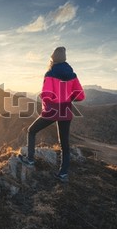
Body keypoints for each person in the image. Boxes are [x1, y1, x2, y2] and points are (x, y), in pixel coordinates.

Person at [18, 46, 85, 182]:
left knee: (31, 131)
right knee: (64, 144)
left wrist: (47, 104)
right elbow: (80, 96)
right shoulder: (72, 75)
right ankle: (63, 174)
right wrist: (68, 97)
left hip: (52, 111)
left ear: (53, 58)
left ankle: (30, 160)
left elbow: (47, 95)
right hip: (66, 110)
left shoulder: (50, 74)